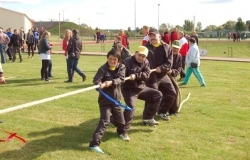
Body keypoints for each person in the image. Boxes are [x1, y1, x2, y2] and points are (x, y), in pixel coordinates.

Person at [120, 46, 163, 141]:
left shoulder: (146, 62)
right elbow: (121, 75)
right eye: (139, 55)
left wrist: (136, 76)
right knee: (130, 107)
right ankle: (123, 131)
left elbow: (147, 74)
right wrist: (126, 77)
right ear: (135, 53)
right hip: (129, 90)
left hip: (141, 88)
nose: (141, 58)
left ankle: (148, 118)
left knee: (157, 95)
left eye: (143, 56)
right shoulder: (126, 62)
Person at [89, 48, 126, 154]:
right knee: (104, 122)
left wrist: (111, 82)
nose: (112, 61)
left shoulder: (121, 67)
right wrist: (99, 84)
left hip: (116, 100)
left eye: (114, 59)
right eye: (110, 59)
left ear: (118, 60)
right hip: (105, 101)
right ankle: (94, 144)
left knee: (121, 122)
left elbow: (121, 79)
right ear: (107, 58)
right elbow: (96, 80)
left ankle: (121, 132)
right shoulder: (103, 69)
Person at [145, 28, 177, 121]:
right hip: (151, 77)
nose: (152, 37)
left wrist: (161, 68)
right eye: (150, 36)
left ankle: (162, 111)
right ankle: (147, 117)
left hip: (163, 75)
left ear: (159, 36)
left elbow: (169, 63)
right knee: (152, 96)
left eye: (154, 35)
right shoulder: (146, 48)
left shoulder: (167, 47)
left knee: (172, 93)